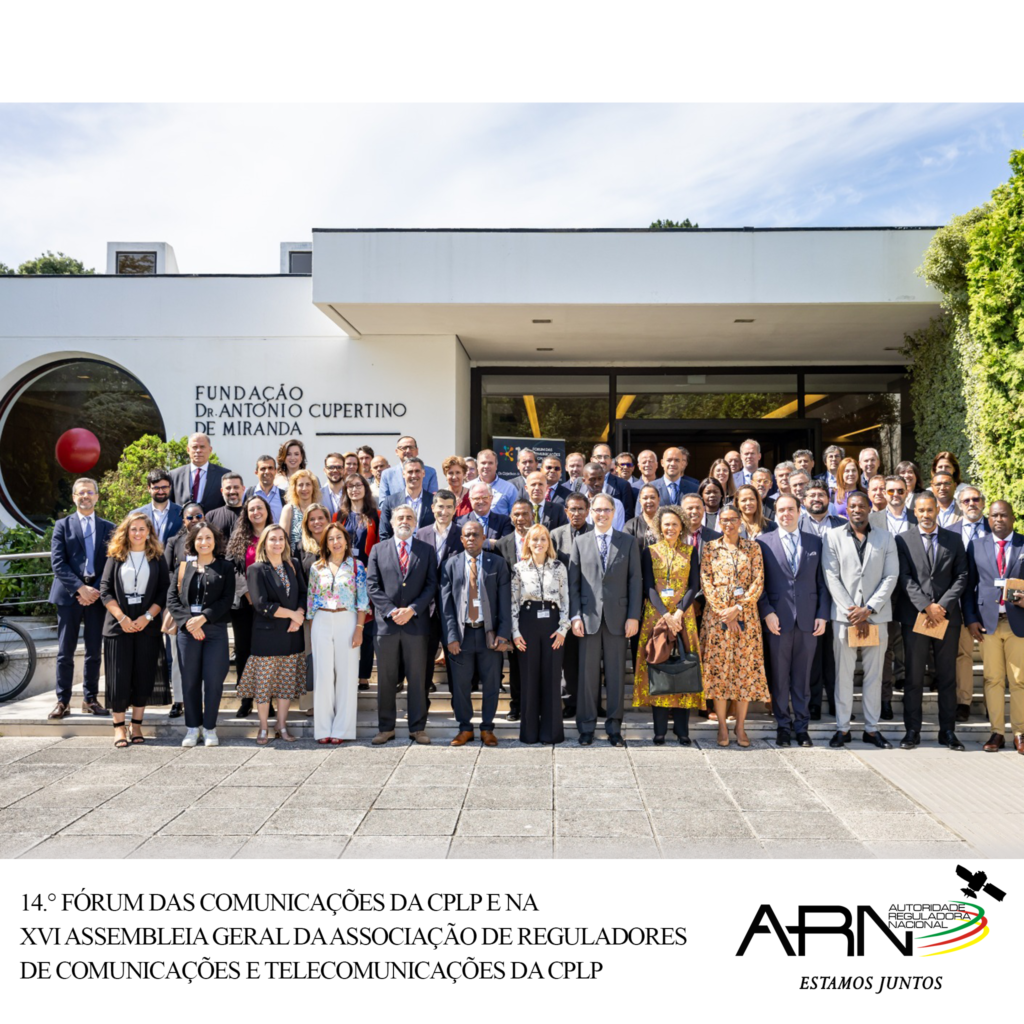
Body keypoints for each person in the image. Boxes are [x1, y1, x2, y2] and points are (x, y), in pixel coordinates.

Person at [822, 492, 898, 749]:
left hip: (876, 617)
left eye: (861, 506)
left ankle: (872, 729)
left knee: (874, 676)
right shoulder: (832, 537)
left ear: (869, 508)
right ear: (847, 509)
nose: (857, 509)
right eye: (852, 506)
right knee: (843, 675)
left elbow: (891, 576)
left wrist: (869, 609)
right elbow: (831, 577)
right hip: (845, 619)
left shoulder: (885, 537)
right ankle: (842, 728)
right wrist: (853, 612)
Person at [894, 491, 969, 751]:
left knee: (947, 676)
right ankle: (912, 731)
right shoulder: (903, 540)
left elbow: (962, 576)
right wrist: (926, 606)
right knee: (914, 676)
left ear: (937, 510)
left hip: (947, 618)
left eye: (930, 510)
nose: (926, 515)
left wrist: (942, 606)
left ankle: (947, 731)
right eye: (921, 510)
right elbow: (904, 577)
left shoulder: (954, 539)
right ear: (914, 512)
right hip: (916, 617)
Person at [569, 493, 642, 746]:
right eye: (597, 510)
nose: (602, 514)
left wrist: (633, 616)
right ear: (591, 513)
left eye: (606, 510)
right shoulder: (580, 542)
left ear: (614, 512)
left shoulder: (628, 542)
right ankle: (586, 728)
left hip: (618, 619)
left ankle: (614, 728)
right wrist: (575, 615)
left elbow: (635, 581)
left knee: (615, 675)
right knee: (587, 676)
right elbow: (573, 583)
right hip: (588, 618)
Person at [757, 495, 829, 747]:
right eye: (781, 510)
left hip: (809, 620)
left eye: (790, 509)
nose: (785, 514)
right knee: (779, 678)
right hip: (777, 620)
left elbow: (822, 582)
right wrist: (766, 611)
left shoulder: (816, 542)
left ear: (800, 512)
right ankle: (783, 726)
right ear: (775, 513)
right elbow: (758, 583)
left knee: (803, 677)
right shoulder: (762, 543)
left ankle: (802, 727)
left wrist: (822, 614)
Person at [366, 505, 438, 744]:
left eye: (409, 517)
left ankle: (417, 728)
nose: (404, 521)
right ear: (392, 522)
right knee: (386, 679)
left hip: (416, 625)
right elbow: (372, 585)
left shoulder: (427, 550)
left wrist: (412, 609)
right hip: (386, 626)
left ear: (415, 523)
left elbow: (431, 585)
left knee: (417, 678)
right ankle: (385, 728)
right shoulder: (378, 549)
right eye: (400, 517)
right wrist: (391, 611)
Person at [633, 506, 703, 744]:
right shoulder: (650, 551)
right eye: (666, 524)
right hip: (656, 618)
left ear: (682, 526)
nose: (670, 528)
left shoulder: (691, 551)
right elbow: (649, 586)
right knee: (659, 668)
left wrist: (679, 612)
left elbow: (694, 585)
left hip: (684, 618)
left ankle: (682, 731)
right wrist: (665, 614)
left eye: (675, 524)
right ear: (659, 528)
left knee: (684, 667)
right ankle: (660, 730)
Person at [699, 506, 768, 747]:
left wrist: (737, 609)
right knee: (719, 670)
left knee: (744, 671)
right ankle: (721, 726)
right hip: (717, 618)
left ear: (740, 522)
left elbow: (758, 581)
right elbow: (706, 581)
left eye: (733, 519)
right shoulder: (710, 548)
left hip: (746, 618)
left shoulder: (753, 548)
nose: (728, 524)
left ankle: (740, 726)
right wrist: (724, 613)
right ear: (719, 522)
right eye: (724, 520)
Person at [99, 511, 169, 746]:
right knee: (118, 678)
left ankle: (136, 725)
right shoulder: (116, 555)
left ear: (149, 532)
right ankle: (119, 728)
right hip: (118, 625)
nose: (137, 533)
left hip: (147, 624)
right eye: (133, 529)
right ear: (126, 531)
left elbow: (164, 590)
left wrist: (148, 617)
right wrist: (122, 618)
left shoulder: (157, 557)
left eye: (142, 529)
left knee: (144, 676)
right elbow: (105, 590)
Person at [48, 478, 115, 720]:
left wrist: (94, 590)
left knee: (94, 651)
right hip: (68, 596)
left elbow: (111, 563)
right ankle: (62, 701)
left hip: (96, 597)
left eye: (89, 492)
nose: (85, 496)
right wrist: (79, 589)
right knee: (65, 651)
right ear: (74, 497)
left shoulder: (110, 528)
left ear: (97, 496)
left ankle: (90, 699)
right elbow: (58, 563)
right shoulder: (62, 526)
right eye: (80, 493)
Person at [442, 521, 512, 746]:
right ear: (461, 539)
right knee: (460, 686)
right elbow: (446, 606)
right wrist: (451, 636)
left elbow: (505, 602)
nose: (471, 538)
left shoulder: (498, 563)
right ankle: (465, 728)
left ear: (483, 538)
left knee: (491, 684)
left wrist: (503, 634)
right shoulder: (450, 565)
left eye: (475, 535)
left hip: (488, 634)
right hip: (461, 636)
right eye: (467, 535)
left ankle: (487, 728)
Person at [238, 524, 308, 745]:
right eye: (272, 539)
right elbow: (261, 604)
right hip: (266, 637)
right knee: (264, 686)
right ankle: (263, 727)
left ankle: (281, 725)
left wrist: (298, 616)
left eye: (281, 539)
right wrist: (292, 614)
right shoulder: (256, 569)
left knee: (286, 685)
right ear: (264, 543)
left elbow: (303, 593)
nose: (277, 543)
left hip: (291, 634)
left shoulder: (293, 564)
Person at [964, 500, 1024, 754]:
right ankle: (997, 732)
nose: (998, 519)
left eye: (1003, 515)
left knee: (1019, 680)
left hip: (1017, 623)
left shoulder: (1023, 543)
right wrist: (970, 619)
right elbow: (968, 586)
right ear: (988, 519)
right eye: (994, 516)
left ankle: (1020, 733)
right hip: (987, 624)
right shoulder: (976, 546)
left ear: (1013, 518)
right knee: (992, 679)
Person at [166, 522, 233, 747]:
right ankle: (193, 728)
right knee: (190, 681)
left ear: (215, 541)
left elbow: (227, 599)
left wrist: (203, 618)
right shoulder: (183, 567)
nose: (204, 542)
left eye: (208, 538)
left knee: (213, 681)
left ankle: (210, 728)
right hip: (187, 631)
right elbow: (172, 599)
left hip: (214, 630)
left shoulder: (225, 567)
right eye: (199, 538)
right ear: (193, 542)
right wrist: (188, 622)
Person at [307, 522, 369, 744]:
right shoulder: (316, 568)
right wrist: (313, 629)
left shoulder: (356, 566)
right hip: (321, 619)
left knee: (347, 675)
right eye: (331, 539)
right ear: (325, 543)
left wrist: (359, 629)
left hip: (347, 619)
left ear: (346, 541)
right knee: (323, 675)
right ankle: (323, 729)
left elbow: (362, 600)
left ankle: (342, 729)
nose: (336, 542)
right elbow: (311, 599)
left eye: (339, 538)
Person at [510, 524, 569, 744]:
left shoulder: (559, 567)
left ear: (548, 542)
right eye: (534, 539)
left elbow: (565, 599)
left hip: (553, 625)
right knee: (529, 678)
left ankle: (551, 733)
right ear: (528, 542)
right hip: (527, 624)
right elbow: (512, 602)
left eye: (543, 539)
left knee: (552, 678)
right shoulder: (518, 568)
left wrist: (563, 629)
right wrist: (515, 632)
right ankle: (529, 733)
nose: (539, 543)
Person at [869, 474, 917, 719]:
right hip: (882, 591)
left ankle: (912, 698)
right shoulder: (872, 519)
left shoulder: (918, 516)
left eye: (900, 491)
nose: (895, 495)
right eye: (891, 491)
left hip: (912, 592)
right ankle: (884, 699)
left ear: (907, 492)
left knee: (912, 646)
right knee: (884, 648)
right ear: (884, 493)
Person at [226, 496, 272, 718]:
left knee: (266, 653)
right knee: (244, 651)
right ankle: (246, 700)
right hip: (244, 604)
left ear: (267, 510)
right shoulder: (238, 537)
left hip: (271, 604)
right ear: (246, 513)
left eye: (259, 508)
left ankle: (267, 700)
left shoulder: (275, 534)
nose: (256, 512)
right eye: (251, 509)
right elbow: (231, 568)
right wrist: (248, 592)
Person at [947, 484, 988, 720]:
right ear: (959, 505)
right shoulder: (949, 532)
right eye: (966, 501)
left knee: (991, 657)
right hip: (959, 604)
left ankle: (992, 702)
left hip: (988, 604)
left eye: (976, 499)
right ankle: (963, 701)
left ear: (983, 502)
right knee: (962, 655)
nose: (971, 504)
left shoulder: (996, 528)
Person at [550, 493, 592, 719]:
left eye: (580, 509)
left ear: (588, 511)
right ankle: (570, 701)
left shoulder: (595, 533)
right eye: (572, 509)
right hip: (563, 605)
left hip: (592, 604)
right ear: (565, 511)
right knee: (568, 658)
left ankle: (592, 702)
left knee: (591, 657)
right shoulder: (555, 535)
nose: (576, 513)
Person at [416, 489, 462, 694]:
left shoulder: (463, 534)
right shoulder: (421, 534)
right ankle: (423, 696)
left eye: (449, 507)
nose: (444, 511)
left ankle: (457, 699)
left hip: (454, 605)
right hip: (427, 606)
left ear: (455, 509)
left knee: (456, 655)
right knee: (425, 654)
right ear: (433, 507)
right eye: (440, 507)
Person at [169, 432, 231, 512]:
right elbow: (169, 504)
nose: (198, 450)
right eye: (194, 447)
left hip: (212, 520)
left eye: (202, 447)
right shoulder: (174, 475)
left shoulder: (223, 475)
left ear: (210, 450)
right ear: (188, 450)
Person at [379, 457, 435, 539]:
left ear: (423, 473)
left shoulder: (434, 501)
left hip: (427, 547)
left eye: (417, 471)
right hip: (399, 547)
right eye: (410, 472)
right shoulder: (390, 501)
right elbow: (384, 533)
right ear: (403, 474)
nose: (414, 475)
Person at [131, 468, 183, 545]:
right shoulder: (136, 514)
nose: (161, 491)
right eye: (156, 488)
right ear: (149, 488)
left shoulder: (181, 513)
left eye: (164, 487)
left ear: (170, 487)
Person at [455, 481, 512, 549]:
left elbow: (505, 545)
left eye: (485, 497)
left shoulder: (504, 521)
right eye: (477, 498)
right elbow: (460, 545)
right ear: (470, 500)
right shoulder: (461, 522)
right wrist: (489, 543)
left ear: (491, 498)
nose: (481, 501)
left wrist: (474, 543)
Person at [337, 474, 379, 563]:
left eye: (358, 485)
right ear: (346, 490)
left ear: (365, 488)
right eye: (350, 486)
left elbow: (379, 544)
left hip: (368, 566)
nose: (354, 489)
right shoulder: (338, 516)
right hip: (343, 566)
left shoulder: (376, 515)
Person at [574, 461, 626, 530]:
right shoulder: (577, 505)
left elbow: (620, 532)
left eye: (600, 479)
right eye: (592, 479)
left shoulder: (616, 504)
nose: (597, 483)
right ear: (584, 481)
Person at [280, 469, 322, 549]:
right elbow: (283, 539)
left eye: (308, 484)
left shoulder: (321, 510)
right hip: (294, 556)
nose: (304, 488)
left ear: (313, 487)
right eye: (300, 485)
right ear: (294, 488)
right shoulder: (289, 510)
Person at [590, 443, 635, 517]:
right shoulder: (580, 483)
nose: (602, 460)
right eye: (599, 457)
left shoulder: (623, 485)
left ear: (611, 460)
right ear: (592, 460)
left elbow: (627, 515)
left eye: (606, 457)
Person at [473, 448, 518, 514]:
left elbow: (515, 514)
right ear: (477, 466)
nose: (486, 466)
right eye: (483, 463)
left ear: (496, 466)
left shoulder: (509, 489)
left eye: (490, 463)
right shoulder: (467, 487)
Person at [244, 455, 286, 522]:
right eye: (263, 469)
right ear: (256, 472)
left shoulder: (284, 495)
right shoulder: (248, 493)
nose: (267, 471)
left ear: (275, 471)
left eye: (270, 468)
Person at [204, 472, 246, 539]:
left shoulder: (250, 515)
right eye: (228, 488)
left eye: (236, 487)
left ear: (243, 489)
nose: (232, 491)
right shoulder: (211, 516)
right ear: (222, 491)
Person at [624, 484, 660, 553]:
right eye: (645, 498)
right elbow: (625, 549)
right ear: (640, 501)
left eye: (652, 497)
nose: (649, 501)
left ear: (658, 500)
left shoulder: (666, 523)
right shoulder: (631, 525)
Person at [320, 452, 348, 519]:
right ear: (325, 470)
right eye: (331, 467)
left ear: (344, 470)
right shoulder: (317, 495)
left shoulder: (352, 492)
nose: (335, 470)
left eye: (339, 467)